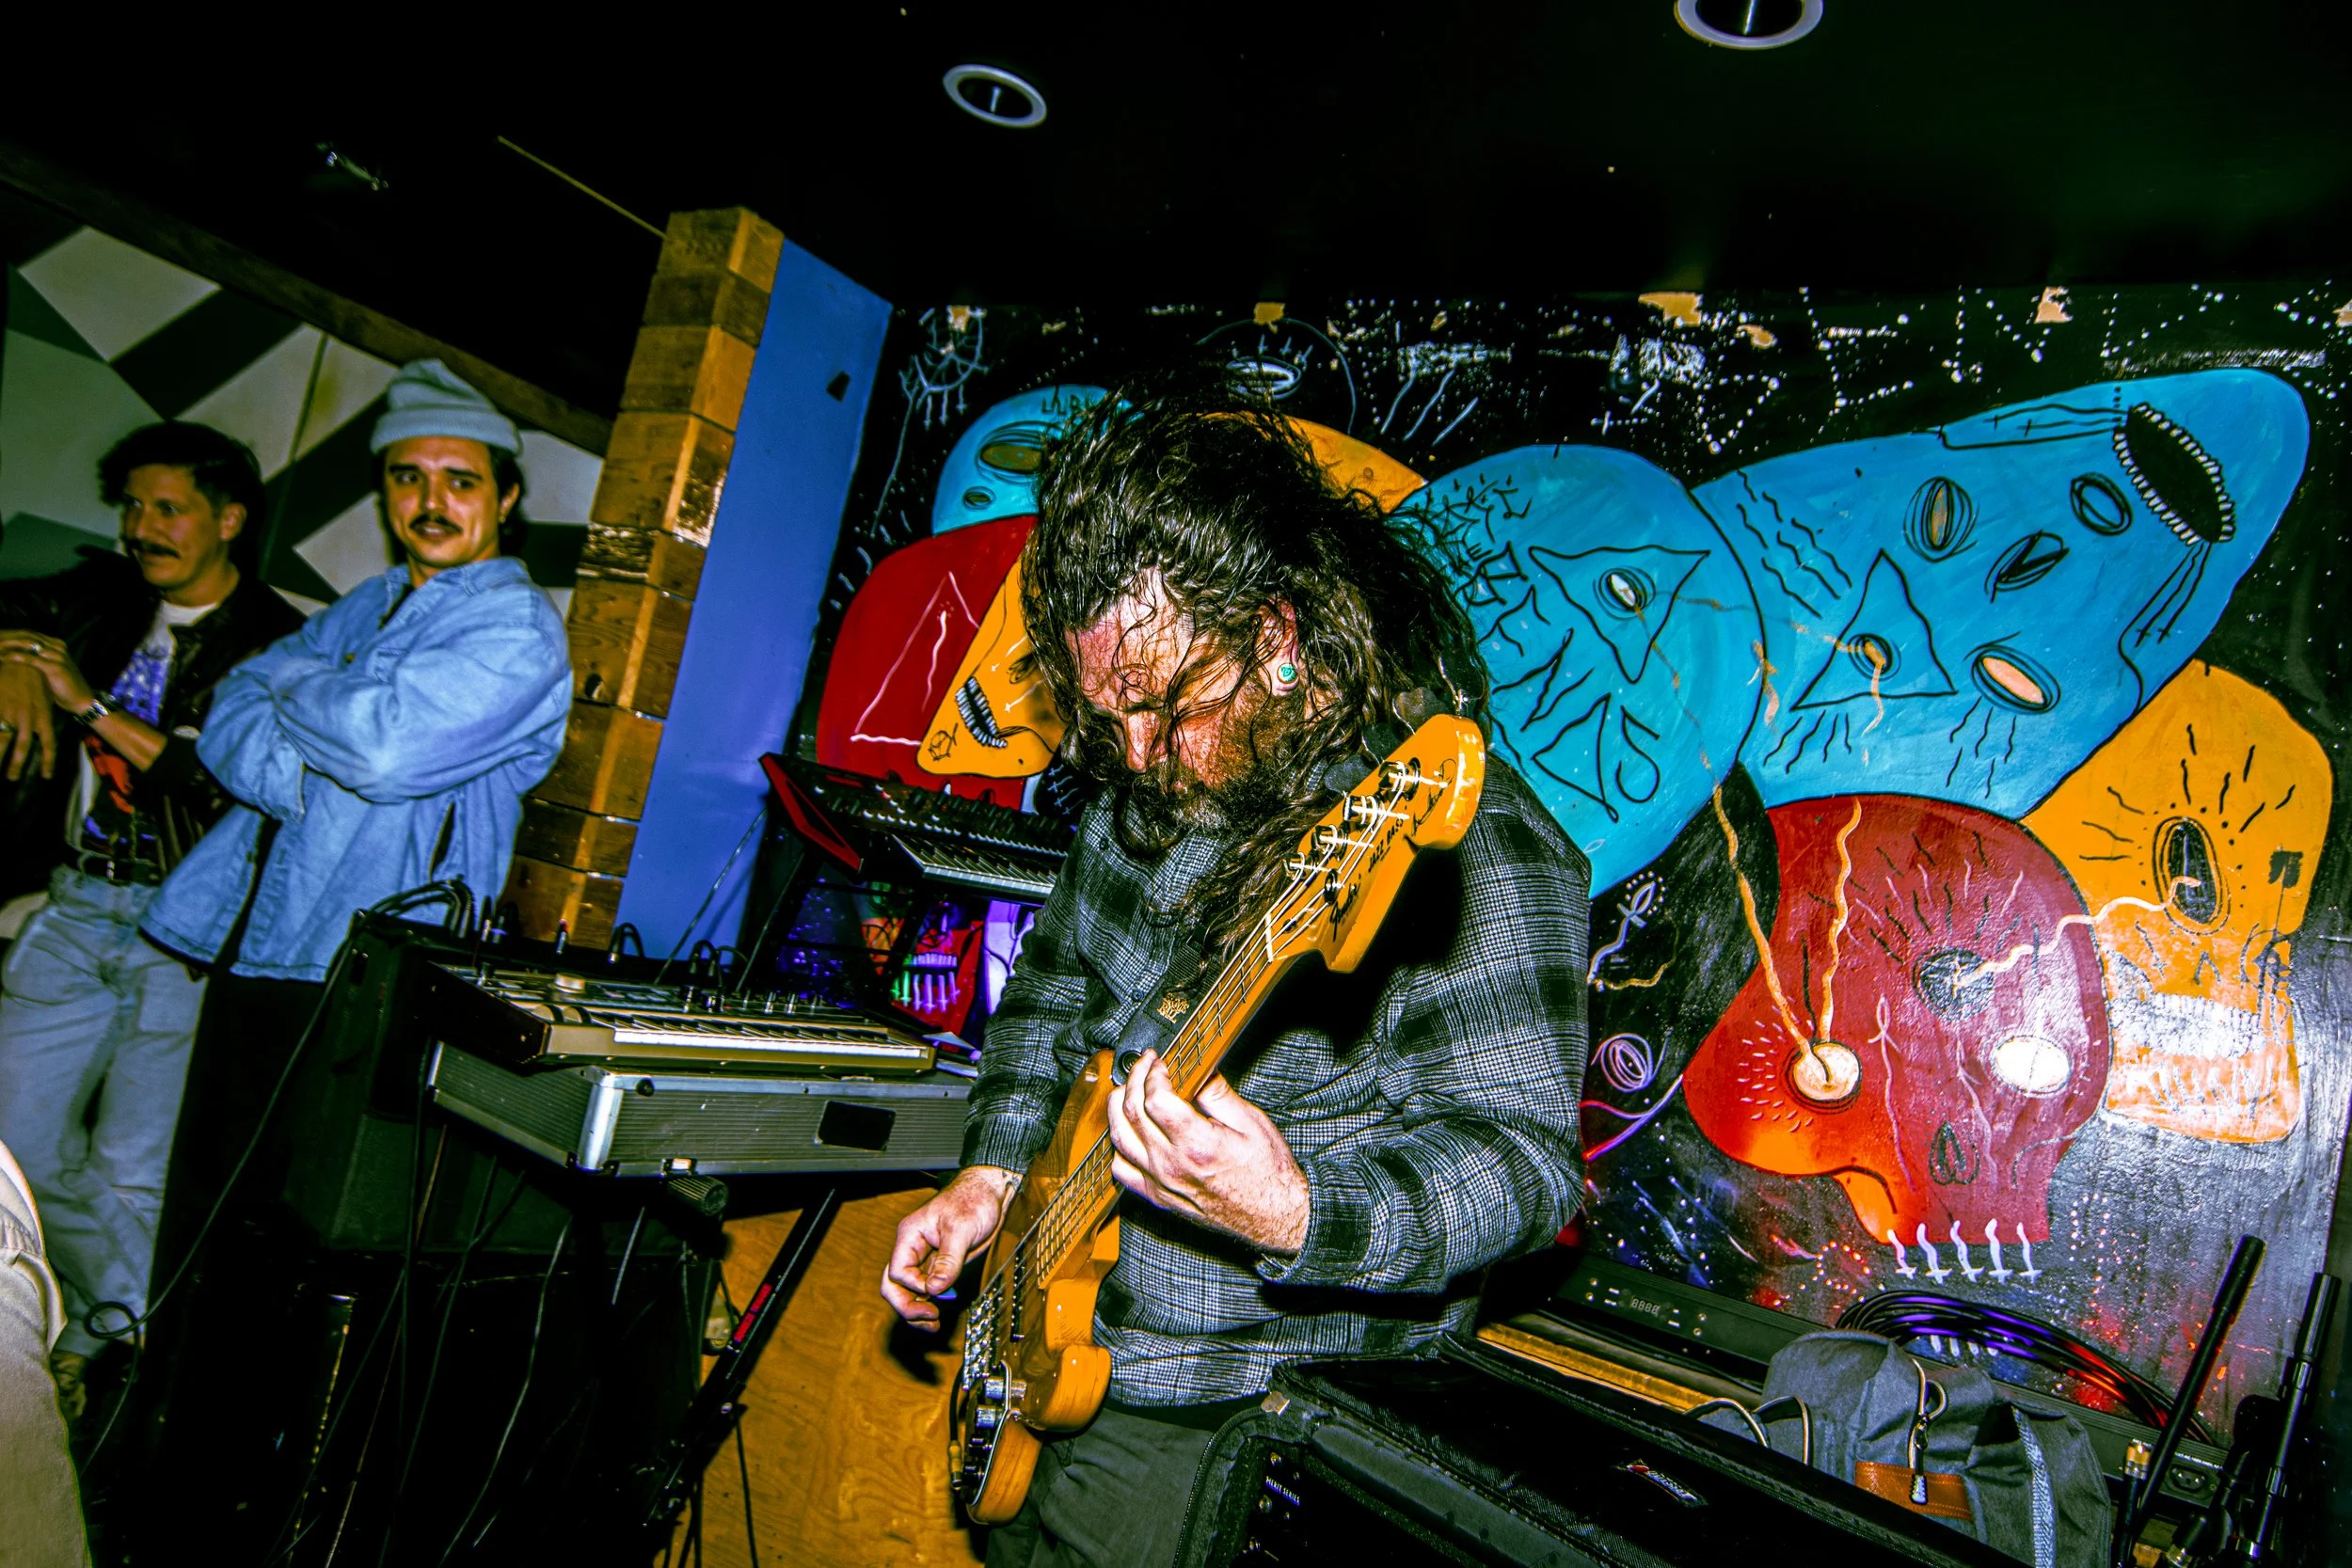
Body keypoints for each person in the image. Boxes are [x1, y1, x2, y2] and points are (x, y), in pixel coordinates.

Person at [882, 381, 1592, 1568]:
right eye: (1106, 715)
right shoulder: (1147, 779)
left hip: (1235, 1414)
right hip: (1049, 1339)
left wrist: (1296, 1210)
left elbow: (1523, 1167)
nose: (1138, 755)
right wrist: (991, 1175)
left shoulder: (1469, 850)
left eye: (1167, 704)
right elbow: (1051, 987)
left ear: (1276, 637)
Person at [139, 359, 568, 1258]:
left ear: (506, 496)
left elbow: (382, 752)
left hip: (369, 964)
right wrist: (297, 769)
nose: (431, 502)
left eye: (461, 481)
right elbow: (229, 703)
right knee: (203, 1210)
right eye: (408, 477)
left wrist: (298, 682)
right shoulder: (371, 601)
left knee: (296, 1235)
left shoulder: (515, 625)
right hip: (259, 937)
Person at [0, 422, 302, 1418]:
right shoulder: (99, 598)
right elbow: (13, 607)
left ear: (230, 519)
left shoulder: (277, 641)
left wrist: (84, 703)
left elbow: (219, 782)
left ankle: (94, 1348)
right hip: (80, 899)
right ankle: (106, 1319)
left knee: (132, 1167)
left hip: (184, 928)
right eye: (132, 505)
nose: (141, 528)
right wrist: (11, 656)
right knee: (13, 1143)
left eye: (168, 508)